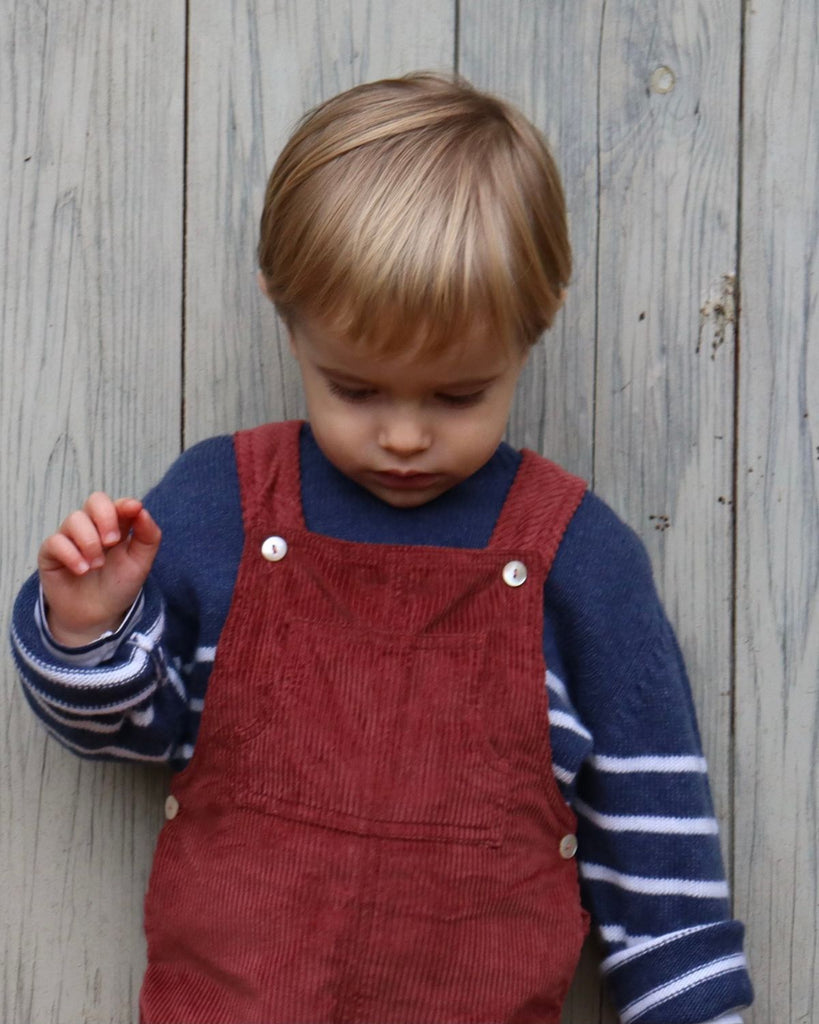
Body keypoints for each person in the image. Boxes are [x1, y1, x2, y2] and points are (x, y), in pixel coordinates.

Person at [11, 72, 752, 1024]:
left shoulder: (579, 561)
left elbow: (660, 865)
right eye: (356, 389)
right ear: (284, 309)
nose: (403, 437)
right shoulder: (219, 508)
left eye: (456, 396)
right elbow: (121, 731)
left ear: (538, 322)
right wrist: (86, 632)